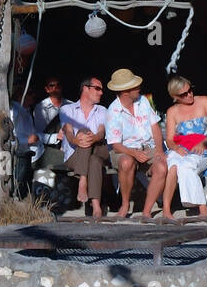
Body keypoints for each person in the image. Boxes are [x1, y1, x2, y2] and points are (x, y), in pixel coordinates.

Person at [105, 68, 168, 218]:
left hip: (148, 146)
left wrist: (159, 150)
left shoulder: (144, 101)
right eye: (135, 86)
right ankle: (125, 204)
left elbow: (155, 127)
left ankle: (147, 210)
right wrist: (134, 153)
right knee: (127, 162)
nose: (139, 87)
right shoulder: (113, 110)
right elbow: (115, 144)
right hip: (125, 149)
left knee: (161, 166)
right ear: (125, 91)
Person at [162, 75, 207, 218]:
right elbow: (170, 139)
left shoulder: (203, 101)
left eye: (190, 90)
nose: (189, 95)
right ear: (175, 96)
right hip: (182, 148)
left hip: (204, 146)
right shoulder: (172, 111)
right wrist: (176, 148)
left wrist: (204, 142)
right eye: (183, 94)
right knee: (172, 165)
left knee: (186, 166)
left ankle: (202, 208)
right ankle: (166, 209)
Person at [59, 74, 109, 217]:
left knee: (86, 133)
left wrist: (93, 138)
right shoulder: (67, 109)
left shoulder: (102, 110)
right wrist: (75, 140)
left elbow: (101, 131)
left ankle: (82, 180)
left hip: (99, 149)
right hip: (74, 155)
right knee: (94, 161)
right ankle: (96, 207)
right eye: (97, 88)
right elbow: (68, 130)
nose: (101, 92)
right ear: (85, 89)